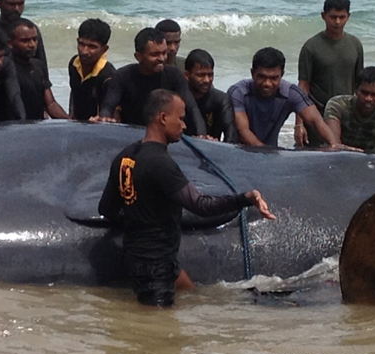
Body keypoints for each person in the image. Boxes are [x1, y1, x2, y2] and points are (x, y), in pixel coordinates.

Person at [98, 89, 276, 307]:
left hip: (137, 256)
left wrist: (141, 215)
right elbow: (200, 205)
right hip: (156, 265)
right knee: (158, 331)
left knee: (191, 293)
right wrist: (246, 198)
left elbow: (107, 208)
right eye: (181, 119)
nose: (184, 126)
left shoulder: (125, 156)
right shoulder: (161, 163)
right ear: (163, 118)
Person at [96, 27, 206, 136]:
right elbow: (108, 106)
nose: (162, 58)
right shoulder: (122, 75)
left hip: (164, 137)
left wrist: (201, 134)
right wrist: (104, 119)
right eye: (155, 54)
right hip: (130, 134)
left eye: (164, 53)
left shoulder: (175, 75)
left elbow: (192, 108)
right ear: (138, 57)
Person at [229, 47, 339, 147]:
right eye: (261, 77)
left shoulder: (291, 93)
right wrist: (265, 153)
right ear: (252, 73)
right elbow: (243, 131)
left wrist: (334, 145)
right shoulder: (239, 93)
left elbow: (316, 121)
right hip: (238, 151)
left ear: (282, 75)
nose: (267, 83)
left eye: (274, 78)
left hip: (271, 153)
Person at [296, 0, 364, 147]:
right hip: (317, 115)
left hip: (346, 116)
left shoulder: (355, 45)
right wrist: (299, 124)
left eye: (342, 17)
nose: (337, 22)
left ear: (348, 17)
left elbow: (359, 85)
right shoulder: (311, 47)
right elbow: (303, 87)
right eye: (333, 17)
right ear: (323, 16)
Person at [324, 66, 375, 157]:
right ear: (356, 89)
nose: (368, 98)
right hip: (336, 158)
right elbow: (333, 144)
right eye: (364, 92)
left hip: (369, 164)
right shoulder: (338, 105)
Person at [8, 19, 68, 120]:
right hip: (13, 127)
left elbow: (51, 104)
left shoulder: (39, 66)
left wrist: (69, 121)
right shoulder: (6, 69)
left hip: (37, 127)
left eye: (34, 39)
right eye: (25, 41)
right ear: (10, 43)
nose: (32, 45)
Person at [184, 48, 238, 142]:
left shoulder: (221, 99)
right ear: (187, 75)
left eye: (210, 75)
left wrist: (221, 149)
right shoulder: (177, 99)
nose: (207, 80)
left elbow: (231, 133)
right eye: (201, 75)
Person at [68, 18, 115, 120]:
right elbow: (74, 93)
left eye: (92, 47)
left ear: (104, 49)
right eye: (81, 44)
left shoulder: (108, 76)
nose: (84, 51)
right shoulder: (73, 64)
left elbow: (111, 111)